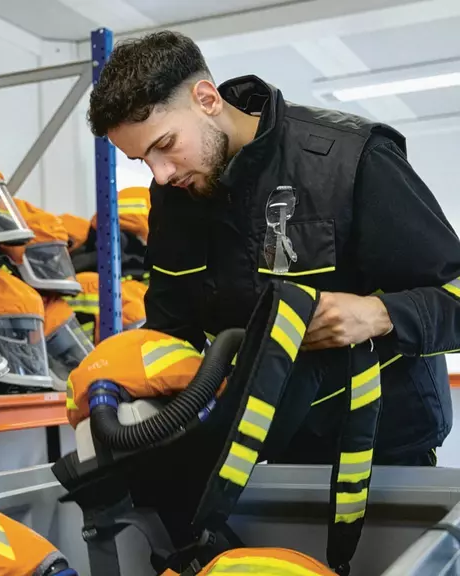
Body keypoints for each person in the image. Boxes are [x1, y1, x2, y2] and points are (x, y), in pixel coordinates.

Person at [87, 30, 460, 466]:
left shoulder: (353, 160)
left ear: (206, 99)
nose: (162, 174)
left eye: (165, 145)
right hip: (263, 454)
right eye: (142, 161)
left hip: (382, 454)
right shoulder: (174, 199)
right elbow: (172, 328)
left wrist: (378, 316)